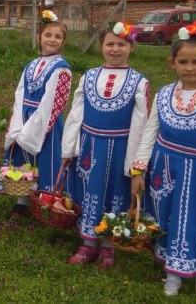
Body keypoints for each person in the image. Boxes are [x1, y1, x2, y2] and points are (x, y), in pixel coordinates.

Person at [130, 22, 196, 304]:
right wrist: (138, 169)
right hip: (163, 168)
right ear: (172, 63)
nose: (190, 68)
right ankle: (173, 272)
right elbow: (150, 132)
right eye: (183, 62)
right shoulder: (164, 94)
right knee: (167, 216)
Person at [61, 22, 150, 269]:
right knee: (90, 192)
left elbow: (140, 125)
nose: (115, 49)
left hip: (120, 149)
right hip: (89, 148)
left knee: (115, 195)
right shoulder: (89, 76)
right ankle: (87, 243)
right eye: (110, 43)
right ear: (101, 45)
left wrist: (133, 166)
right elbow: (76, 114)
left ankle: (109, 245)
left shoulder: (139, 83)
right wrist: (68, 149)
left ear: (131, 46)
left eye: (122, 44)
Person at [0, 10, 72, 218]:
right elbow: (20, 92)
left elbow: (53, 103)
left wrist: (34, 128)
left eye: (58, 37)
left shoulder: (61, 69)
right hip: (25, 115)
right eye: (48, 35)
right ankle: (22, 200)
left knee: (45, 160)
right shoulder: (32, 64)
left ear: (63, 42)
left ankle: (45, 202)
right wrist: (18, 121)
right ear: (39, 36)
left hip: (46, 121)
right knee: (23, 160)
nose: (52, 40)